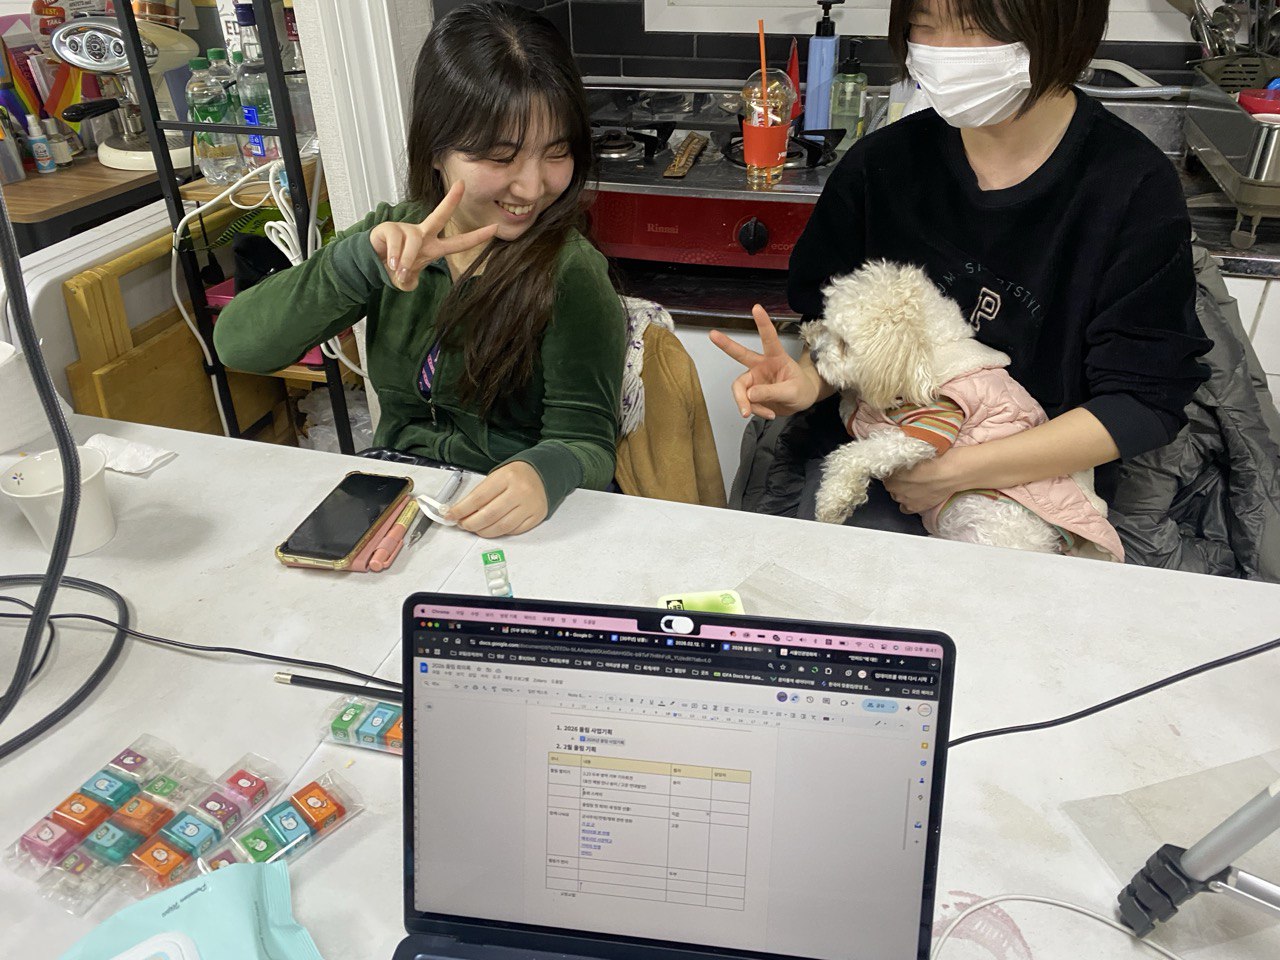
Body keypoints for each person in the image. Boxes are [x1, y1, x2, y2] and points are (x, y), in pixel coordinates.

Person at [712, 0, 1210, 531]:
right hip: (879, 460)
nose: (943, 52)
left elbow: (1142, 402)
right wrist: (810, 381)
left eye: (976, 29)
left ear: (1063, 29)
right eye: (924, 26)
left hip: (1038, 486)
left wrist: (954, 471)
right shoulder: (880, 165)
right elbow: (837, 326)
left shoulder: (1130, 186)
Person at [214, 2, 625, 538]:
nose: (531, 187)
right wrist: (356, 265)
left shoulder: (570, 272)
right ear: (436, 150)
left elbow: (587, 442)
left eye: (556, 152)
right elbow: (240, 346)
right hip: (406, 497)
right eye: (500, 157)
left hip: (511, 519)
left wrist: (545, 471)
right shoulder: (392, 236)